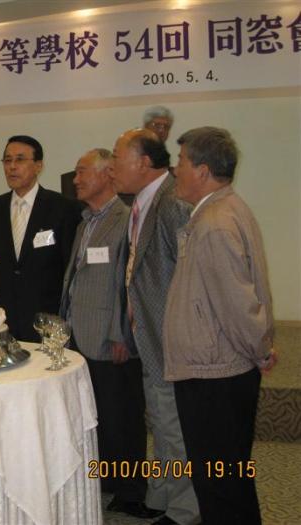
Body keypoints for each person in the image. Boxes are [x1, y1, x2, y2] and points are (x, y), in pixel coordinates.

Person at [164, 127, 276, 525]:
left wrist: (260, 348)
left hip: (215, 375)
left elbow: (237, 303)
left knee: (220, 484)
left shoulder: (214, 222)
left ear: (203, 170)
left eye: (180, 162)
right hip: (217, 368)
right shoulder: (223, 209)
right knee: (228, 480)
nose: (175, 170)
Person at [59, 149, 159, 520]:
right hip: (79, 333)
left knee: (123, 416)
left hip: (110, 336)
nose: (75, 180)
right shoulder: (85, 221)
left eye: (82, 171)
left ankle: (132, 491)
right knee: (95, 414)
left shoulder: (125, 218)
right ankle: (108, 480)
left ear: (106, 174)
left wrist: (122, 335)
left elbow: (127, 281)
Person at [110, 128, 199, 525]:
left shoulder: (172, 202)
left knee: (174, 426)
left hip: (170, 337)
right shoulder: (143, 201)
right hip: (147, 333)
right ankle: (162, 495)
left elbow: (190, 275)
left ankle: (184, 510)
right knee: (162, 421)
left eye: (118, 157)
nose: (112, 167)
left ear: (144, 162)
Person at [0, 135, 81, 342]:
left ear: (38, 166)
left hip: (47, 321)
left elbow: (69, 269)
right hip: (2, 321)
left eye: (20, 159)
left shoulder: (63, 208)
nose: (12, 167)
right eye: (7, 160)